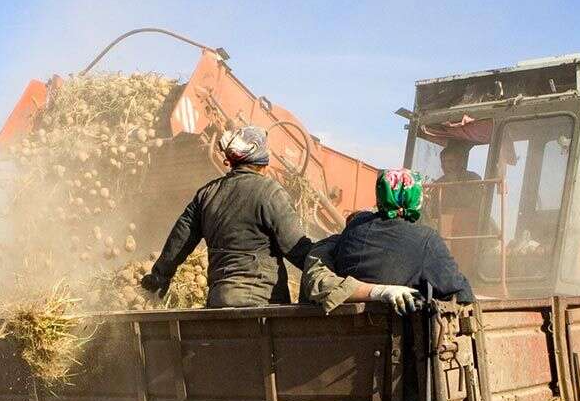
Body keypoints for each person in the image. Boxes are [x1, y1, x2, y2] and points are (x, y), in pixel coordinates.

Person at [141, 125, 312, 308]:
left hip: (218, 300)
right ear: (262, 162)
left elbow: (180, 237)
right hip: (262, 303)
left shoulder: (207, 194)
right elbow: (297, 249)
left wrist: (160, 275)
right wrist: (331, 269)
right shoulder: (270, 192)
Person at [300, 168, 474, 313]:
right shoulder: (426, 240)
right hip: (402, 336)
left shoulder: (354, 228)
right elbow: (461, 293)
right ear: (416, 199)